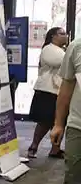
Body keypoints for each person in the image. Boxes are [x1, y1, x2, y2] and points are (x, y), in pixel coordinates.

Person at [50, 36, 81, 184]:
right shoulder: (76, 47)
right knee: (73, 181)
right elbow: (66, 88)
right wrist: (59, 123)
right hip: (78, 126)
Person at [28, 27, 68, 158]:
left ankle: (55, 149)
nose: (65, 36)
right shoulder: (48, 49)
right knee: (45, 121)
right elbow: (63, 62)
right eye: (61, 34)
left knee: (59, 121)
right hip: (48, 90)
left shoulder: (62, 50)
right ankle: (34, 146)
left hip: (59, 91)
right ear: (53, 37)